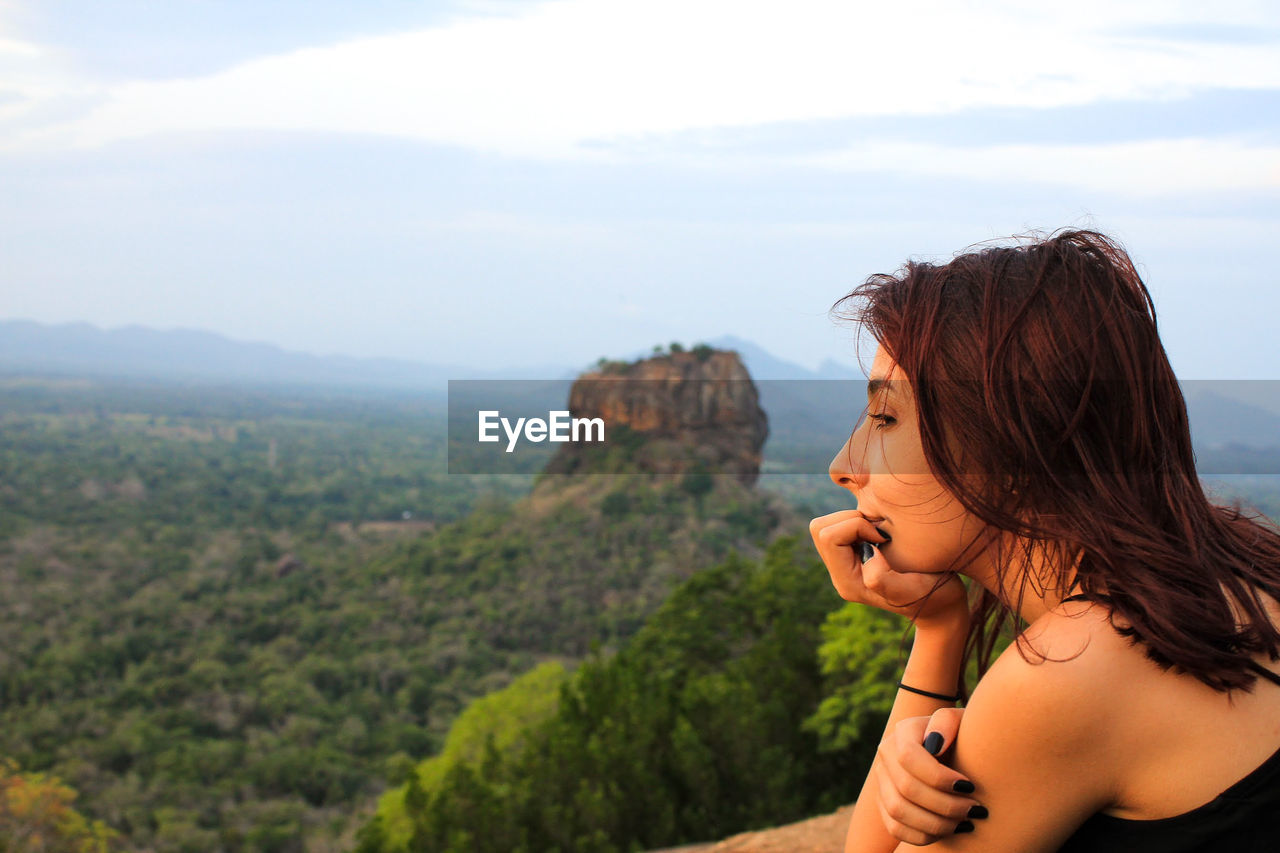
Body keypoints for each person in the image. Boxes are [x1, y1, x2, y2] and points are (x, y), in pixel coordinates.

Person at [808, 229, 1280, 851]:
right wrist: (939, 626)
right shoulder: (1244, 560)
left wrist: (975, 703)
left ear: (1012, 444)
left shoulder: (1072, 669)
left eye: (885, 419)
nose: (845, 465)